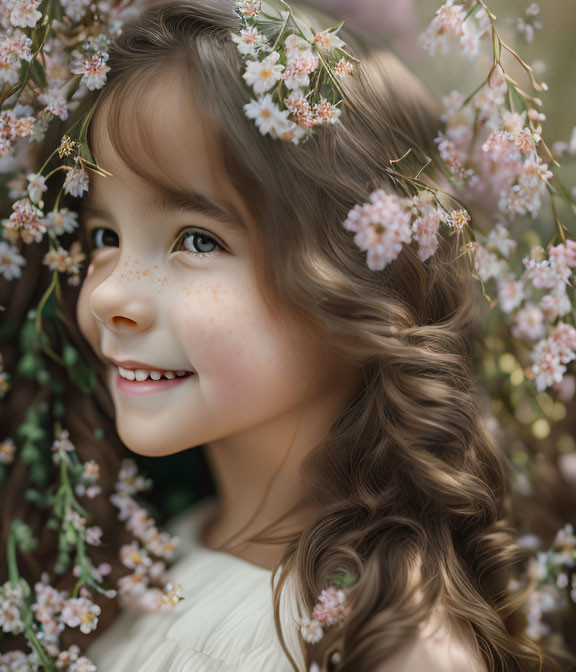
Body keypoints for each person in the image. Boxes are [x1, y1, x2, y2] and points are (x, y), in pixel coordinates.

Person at [64, 1, 552, 670]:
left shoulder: (392, 647)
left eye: (197, 239)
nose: (112, 292)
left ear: (356, 280)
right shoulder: (163, 546)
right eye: (104, 236)